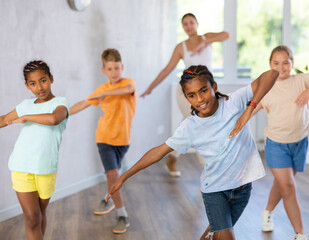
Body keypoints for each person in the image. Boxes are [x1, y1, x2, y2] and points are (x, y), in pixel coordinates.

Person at [106, 65, 278, 240]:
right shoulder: (190, 128)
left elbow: (272, 74)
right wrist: (123, 177)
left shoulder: (234, 103)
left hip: (242, 189)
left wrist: (250, 108)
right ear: (186, 97)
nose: (199, 99)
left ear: (214, 87)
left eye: (203, 91)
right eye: (192, 95)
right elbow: (158, 152)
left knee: (214, 235)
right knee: (226, 236)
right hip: (216, 191)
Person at [252, 45, 309, 240]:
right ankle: (300, 234)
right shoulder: (266, 87)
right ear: (269, 65)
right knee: (288, 187)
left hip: (300, 142)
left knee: (282, 184)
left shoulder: (301, 80)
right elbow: (249, 111)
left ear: (292, 63)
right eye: (276, 63)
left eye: (285, 62)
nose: (281, 67)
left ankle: (268, 210)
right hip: (276, 144)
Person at [140, 13, 230, 177]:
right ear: (183, 28)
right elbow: (167, 69)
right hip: (187, 92)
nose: (189, 26)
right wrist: (150, 87)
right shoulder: (180, 47)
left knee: (189, 124)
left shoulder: (206, 37)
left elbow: (226, 35)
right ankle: (209, 167)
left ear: (197, 23)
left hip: (206, 90)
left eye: (191, 22)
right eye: (185, 24)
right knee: (198, 123)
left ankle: (172, 157)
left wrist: (204, 42)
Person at [69, 48, 137, 233]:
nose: (114, 72)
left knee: (115, 177)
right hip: (104, 138)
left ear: (122, 67)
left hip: (123, 141)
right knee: (112, 175)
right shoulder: (101, 89)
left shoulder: (128, 83)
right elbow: (83, 103)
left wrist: (105, 95)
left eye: (117, 68)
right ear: (103, 71)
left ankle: (108, 196)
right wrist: (63, 113)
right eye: (110, 69)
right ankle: (122, 214)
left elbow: (127, 90)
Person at [0, 60, 69, 240]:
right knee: (32, 218)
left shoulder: (61, 103)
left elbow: (54, 119)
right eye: (33, 83)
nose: (39, 87)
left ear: (51, 79)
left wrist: (25, 117)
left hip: (46, 168)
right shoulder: (25, 104)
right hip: (21, 166)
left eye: (43, 80)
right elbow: (3, 120)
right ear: (27, 85)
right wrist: (21, 115)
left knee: (39, 214)